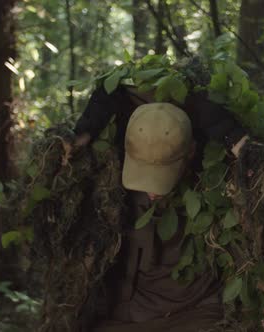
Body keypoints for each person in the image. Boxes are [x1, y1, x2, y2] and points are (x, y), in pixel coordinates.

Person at [71, 84, 249, 331]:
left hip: (193, 310)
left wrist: (237, 140)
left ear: (191, 152)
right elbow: (113, 91)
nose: (152, 190)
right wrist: (86, 129)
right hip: (122, 312)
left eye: (162, 175)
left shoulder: (213, 176)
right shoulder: (111, 161)